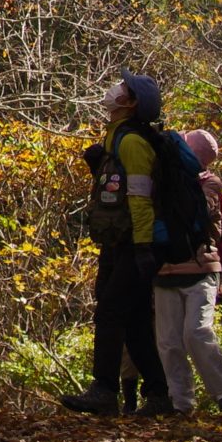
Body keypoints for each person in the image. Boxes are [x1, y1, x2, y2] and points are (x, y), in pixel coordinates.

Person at [60, 74, 169, 416]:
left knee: (109, 310)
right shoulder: (115, 137)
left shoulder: (132, 142)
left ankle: (104, 390)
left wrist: (142, 248)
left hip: (135, 242)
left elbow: (138, 197)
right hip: (120, 240)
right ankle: (159, 395)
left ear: (132, 103)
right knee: (133, 319)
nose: (115, 91)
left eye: (124, 89)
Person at [151, 128, 222, 415]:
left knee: (197, 331)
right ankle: (181, 403)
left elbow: (199, 212)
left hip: (202, 268)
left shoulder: (209, 183)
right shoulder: (161, 177)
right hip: (166, 269)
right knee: (168, 341)